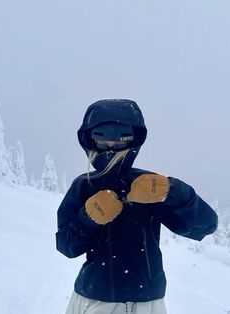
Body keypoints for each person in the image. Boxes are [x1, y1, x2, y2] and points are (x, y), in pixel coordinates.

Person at [56, 99, 218, 314]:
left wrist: (173, 191)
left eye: (120, 138)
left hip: (147, 303)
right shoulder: (85, 185)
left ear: (134, 139)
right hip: (95, 300)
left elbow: (205, 226)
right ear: (89, 139)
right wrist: (87, 218)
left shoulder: (149, 185)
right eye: (102, 138)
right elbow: (67, 247)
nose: (111, 146)